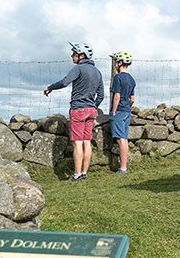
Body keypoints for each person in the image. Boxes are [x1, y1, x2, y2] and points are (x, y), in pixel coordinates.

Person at [44, 42, 104, 181]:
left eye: (74, 54)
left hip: (78, 109)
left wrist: (50, 87)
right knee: (87, 141)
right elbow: (101, 95)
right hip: (91, 111)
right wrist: (93, 106)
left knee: (77, 142)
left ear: (81, 55)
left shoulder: (78, 68)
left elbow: (65, 82)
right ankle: (84, 172)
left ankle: (76, 174)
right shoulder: (97, 72)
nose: (72, 56)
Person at [109, 51, 136, 174]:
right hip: (126, 111)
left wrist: (113, 112)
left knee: (120, 140)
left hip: (119, 111)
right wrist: (127, 107)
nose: (115, 64)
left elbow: (116, 96)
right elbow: (132, 99)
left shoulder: (118, 78)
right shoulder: (132, 79)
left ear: (120, 63)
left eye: (116, 62)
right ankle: (124, 166)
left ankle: (123, 167)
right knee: (124, 139)